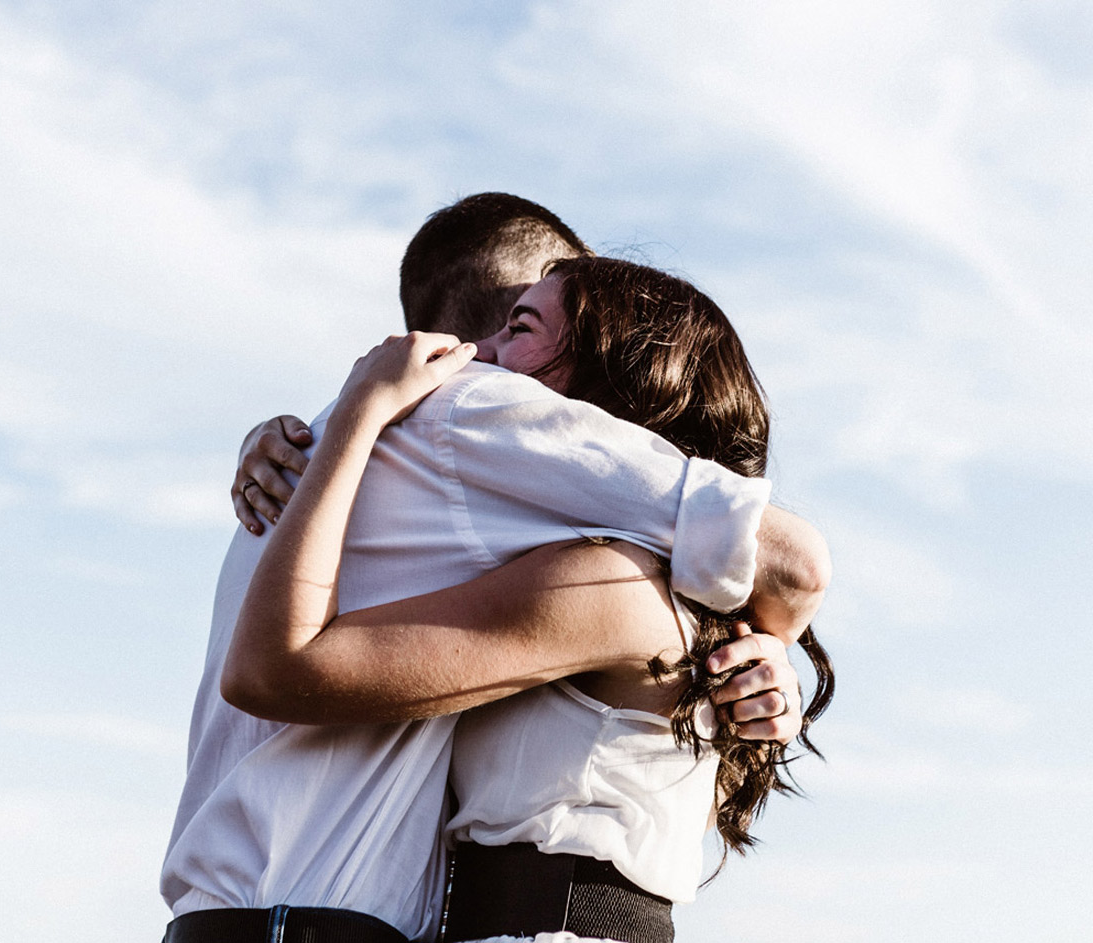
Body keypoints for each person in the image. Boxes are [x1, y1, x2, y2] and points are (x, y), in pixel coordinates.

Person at [162, 194, 822, 943]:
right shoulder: (466, 453)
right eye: (514, 321)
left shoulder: (614, 584)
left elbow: (792, 566)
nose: (483, 365)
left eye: (525, 331)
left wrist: (769, 644)